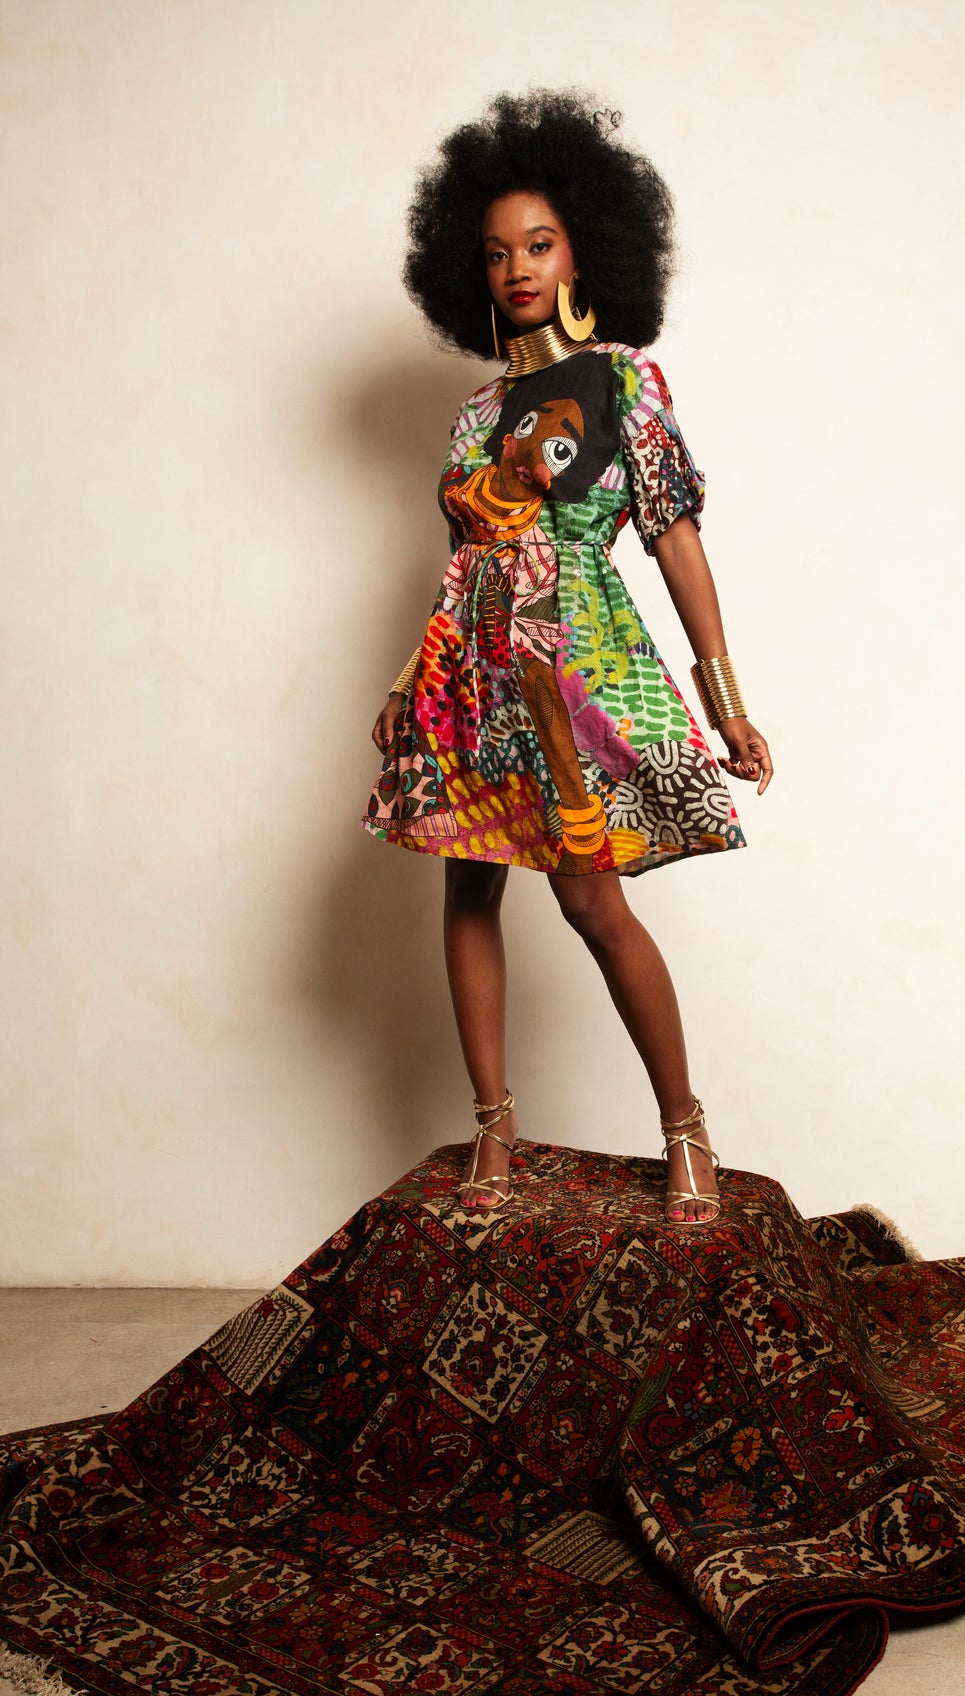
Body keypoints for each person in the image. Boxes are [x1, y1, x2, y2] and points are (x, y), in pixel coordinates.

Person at [366, 90, 772, 1224]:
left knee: (592, 904)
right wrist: (407, 688)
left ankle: (684, 1125)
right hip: (471, 674)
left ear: (584, 249)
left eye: (538, 244)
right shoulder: (474, 416)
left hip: (574, 669)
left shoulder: (625, 381)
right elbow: (463, 569)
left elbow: (675, 541)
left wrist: (726, 702)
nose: (517, 269)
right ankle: (494, 1125)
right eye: (497, 252)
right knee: (468, 886)